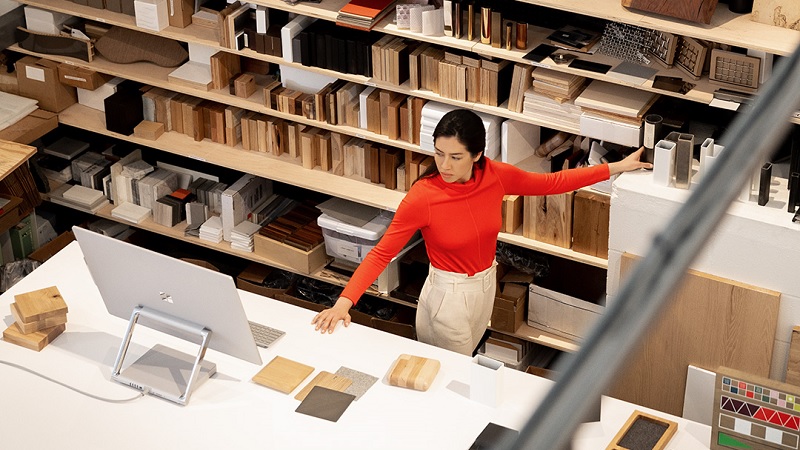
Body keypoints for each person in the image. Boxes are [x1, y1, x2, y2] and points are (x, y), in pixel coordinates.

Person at [311, 109, 651, 355]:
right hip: (448, 298)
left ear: (477, 155)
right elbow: (382, 252)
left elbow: (553, 182)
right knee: (449, 381)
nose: (444, 165)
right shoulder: (423, 197)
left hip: (485, 287)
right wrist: (345, 302)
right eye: (439, 154)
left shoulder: (496, 175)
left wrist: (617, 167)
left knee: (466, 362)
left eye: (456, 157)